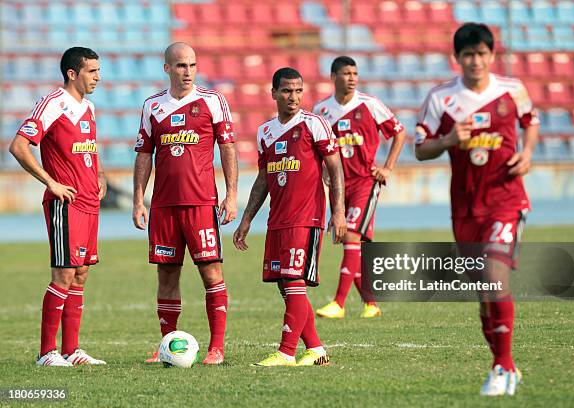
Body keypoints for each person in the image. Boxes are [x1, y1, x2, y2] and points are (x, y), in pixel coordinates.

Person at [415, 23, 539, 396]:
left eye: (481, 54)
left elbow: (530, 123)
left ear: (491, 55)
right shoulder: (440, 98)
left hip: (506, 199)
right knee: (484, 292)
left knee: (494, 276)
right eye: (467, 55)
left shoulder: (512, 89)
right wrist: (450, 139)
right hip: (465, 209)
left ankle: (500, 367)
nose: (475, 61)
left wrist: (527, 153)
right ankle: (508, 366)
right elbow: (420, 149)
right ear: (457, 58)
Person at [132, 42, 238, 365]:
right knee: (166, 275)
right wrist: (139, 199)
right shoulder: (152, 106)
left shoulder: (212, 102)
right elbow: (144, 154)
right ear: (167, 68)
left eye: (192, 65)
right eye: (181, 66)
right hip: (164, 207)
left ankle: (216, 348)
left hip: (201, 204)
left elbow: (228, 147)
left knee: (211, 271)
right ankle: (166, 344)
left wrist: (232, 194)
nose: (188, 71)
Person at [233, 67, 346, 366]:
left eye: (298, 90)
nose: (293, 97)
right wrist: (246, 220)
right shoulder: (265, 132)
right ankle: (317, 350)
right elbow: (262, 179)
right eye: (286, 91)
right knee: (286, 285)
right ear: (273, 93)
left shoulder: (315, 125)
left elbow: (335, 169)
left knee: (294, 281)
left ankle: (285, 352)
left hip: (305, 218)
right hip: (277, 220)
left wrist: (338, 212)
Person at [9, 47, 107, 366]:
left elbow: (89, 148)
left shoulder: (89, 108)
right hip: (66, 204)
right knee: (63, 273)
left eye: (98, 70)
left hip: (90, 202)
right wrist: (50, 182)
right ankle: (47, 352)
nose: (98, 77)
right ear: (72, 74)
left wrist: (100, 175)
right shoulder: (53, 103)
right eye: (92, 71)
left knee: (80, 275)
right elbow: (19, 146)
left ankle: (72, 350)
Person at [313, 56, 406, 319]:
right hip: (340, 187)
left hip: (366, 182)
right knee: (351, 244)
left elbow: (399, 131)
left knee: (352, 236)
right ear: (333, 77)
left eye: (355, 73)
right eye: (346, 73)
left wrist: (387, 167)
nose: (352, 78)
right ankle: (371, 304)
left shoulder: (370, 105)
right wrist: (322, 171)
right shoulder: (321, 111)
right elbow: (314, 148)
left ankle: (338, 304)